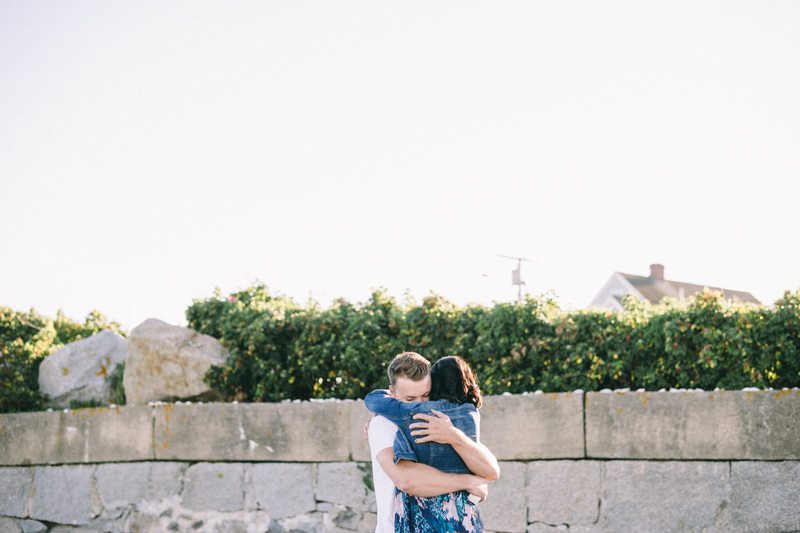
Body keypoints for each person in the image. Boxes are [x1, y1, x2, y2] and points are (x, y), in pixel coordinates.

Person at [366, 354, 499, 532]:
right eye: (410, 400)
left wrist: (453, 436)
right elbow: (408, 480)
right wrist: (469, 481)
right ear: (392, 393)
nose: (420, 405)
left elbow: (491, 471)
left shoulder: (444, 421)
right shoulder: (382, 424)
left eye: (426, 395)